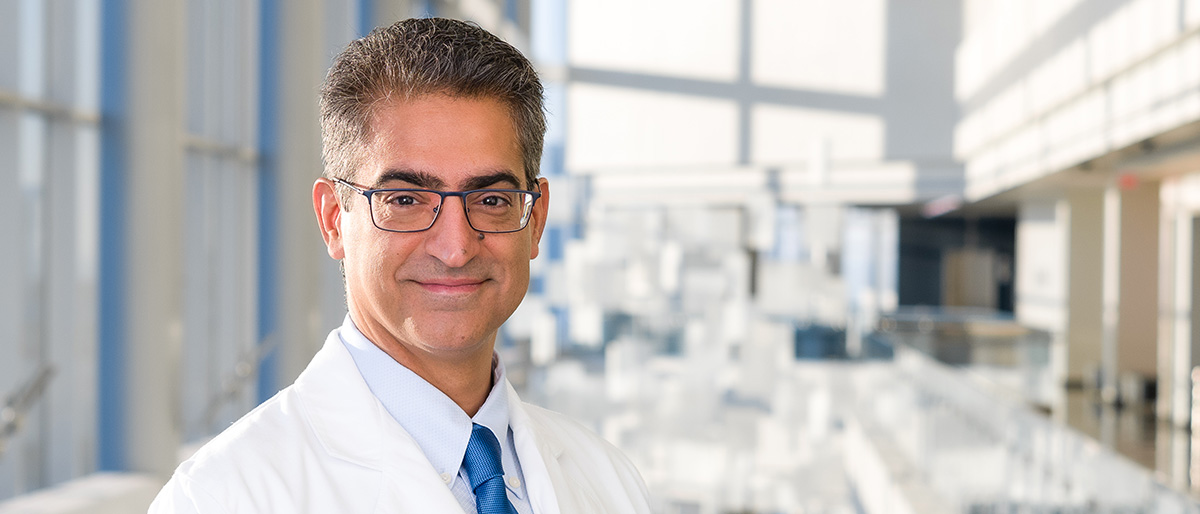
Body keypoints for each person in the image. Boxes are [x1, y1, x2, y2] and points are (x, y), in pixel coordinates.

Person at [149, 18, 651, 513]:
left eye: (492, 200)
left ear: (535, 218)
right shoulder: (224, 497)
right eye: (406, 199)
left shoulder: (609, 480)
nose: (455, 249)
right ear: (332, 220)